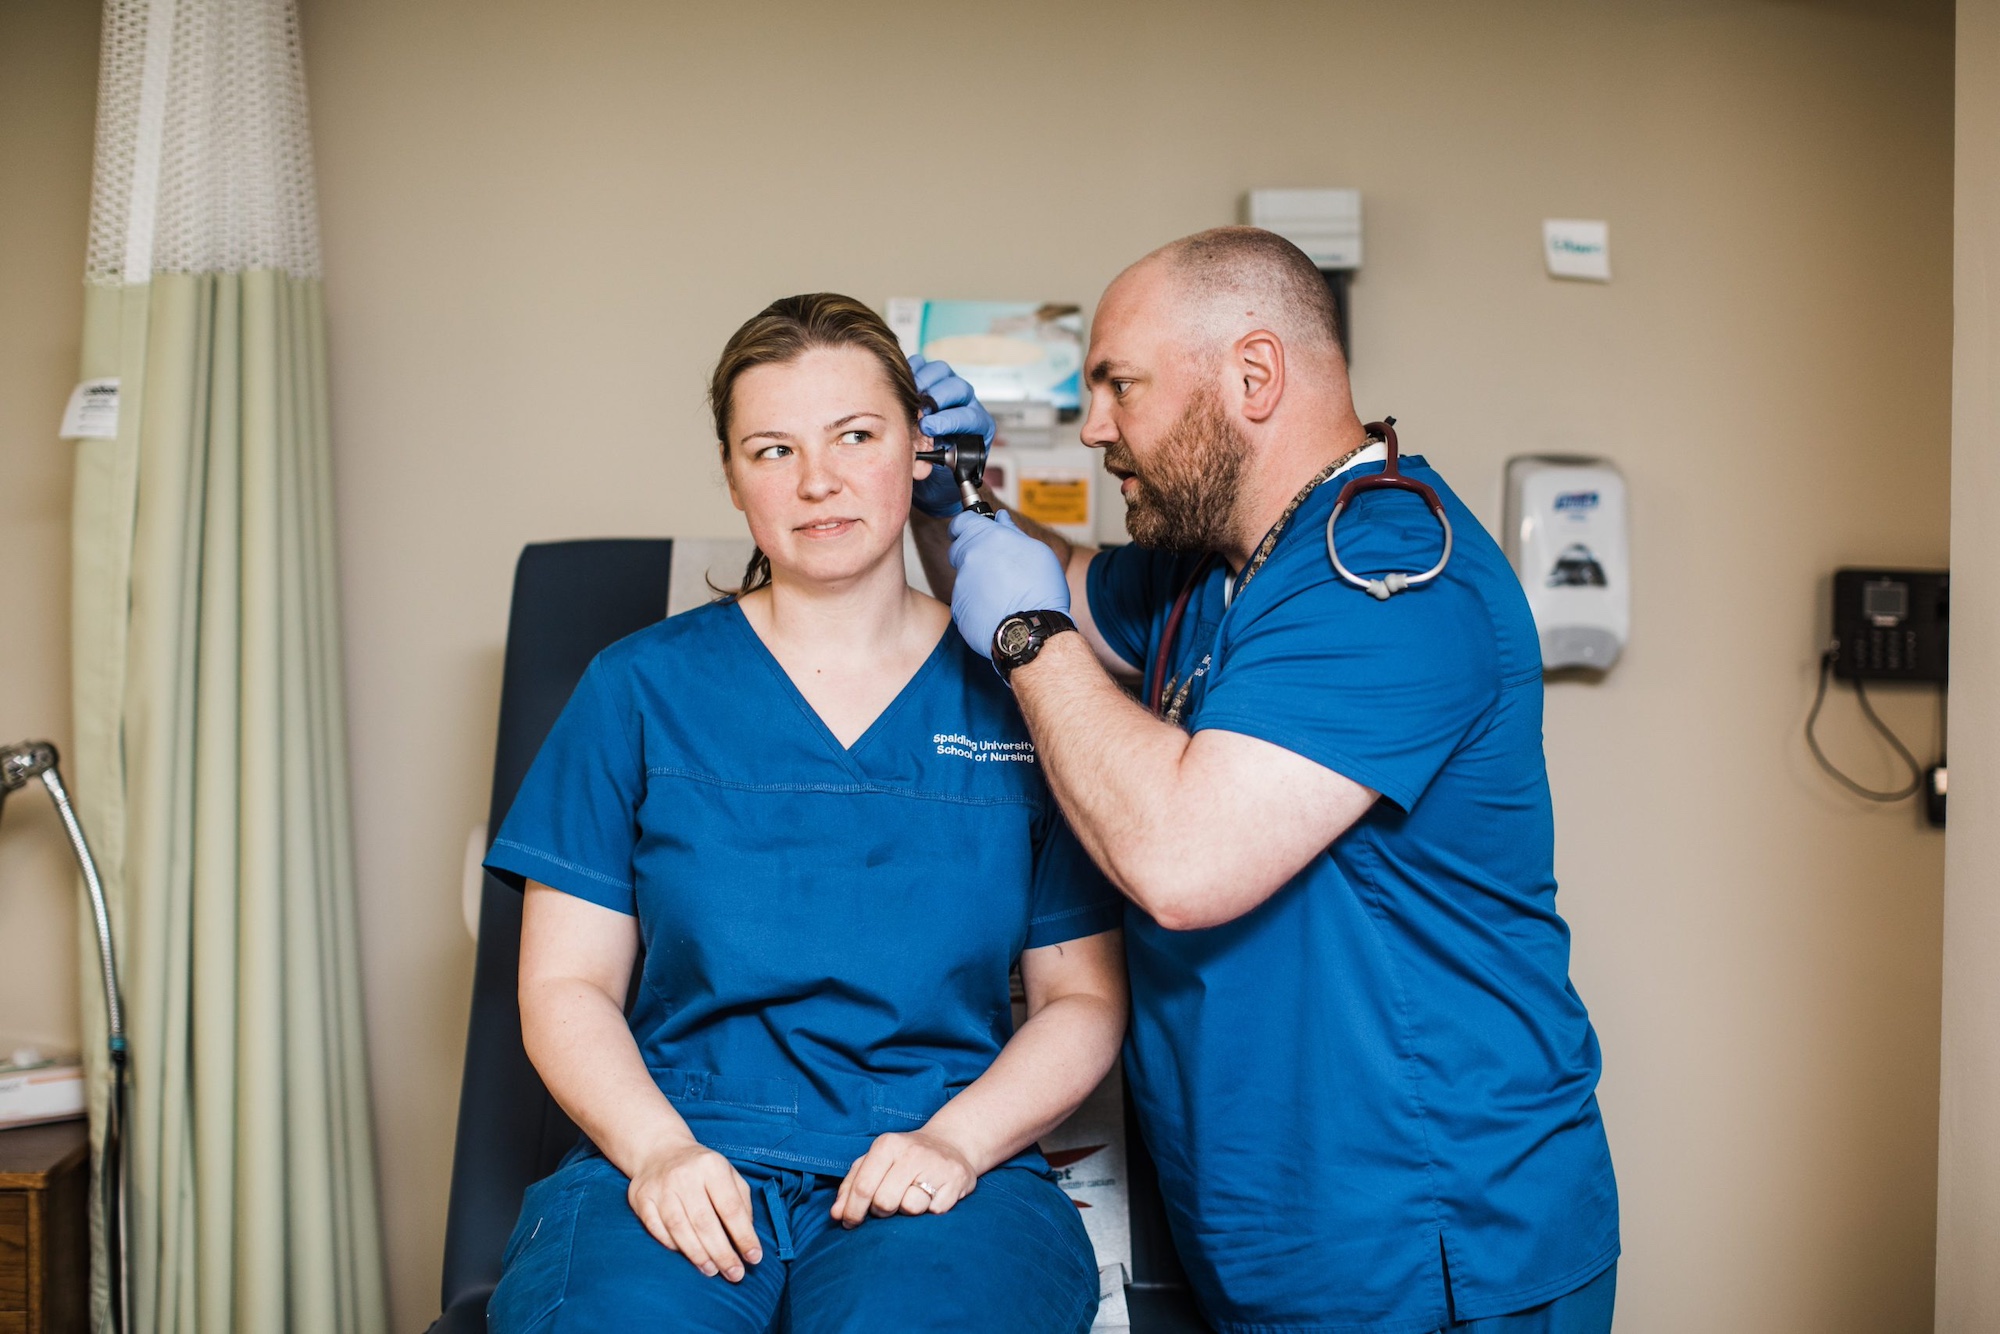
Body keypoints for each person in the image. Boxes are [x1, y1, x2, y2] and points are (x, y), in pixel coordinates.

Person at [913, 228, 1619, 1334]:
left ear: (1251, 373)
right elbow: (1035, 585)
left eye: (1118, 385)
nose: (1094, 426)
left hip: (1428, 1239)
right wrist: (947, 503)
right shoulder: (1215, 568)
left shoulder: (1388, 571)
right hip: (1270, 1228)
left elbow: (1183, 859)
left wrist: (1025, 626)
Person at [482, 293, 1127, 1334]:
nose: (817, 480)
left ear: (917, 451)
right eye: (772, 449)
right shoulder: (638, 689)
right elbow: (565, 981)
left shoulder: (1023, 694)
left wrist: (956, 1142)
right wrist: (656, 1150)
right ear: (733, 476)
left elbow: (1080, 1000)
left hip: (934, 1161)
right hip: (684, 1141)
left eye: (855, 436)